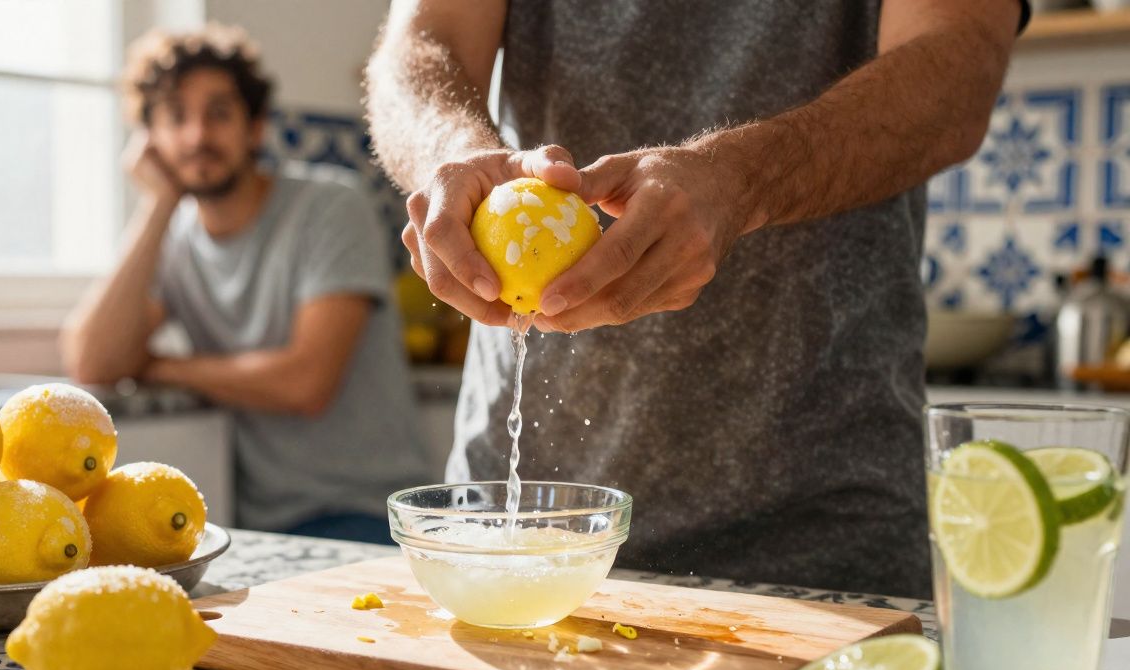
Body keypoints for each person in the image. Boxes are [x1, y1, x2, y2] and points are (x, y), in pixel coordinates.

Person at [364, 0, 1029, 597]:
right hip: (518, 532)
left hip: (823, 529)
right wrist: (452, 153)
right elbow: (423, 40)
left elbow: (959, 58)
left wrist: (743, 179)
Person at [62, 24, 429, 544]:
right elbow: (93, 362)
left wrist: (159, 367)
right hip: (256, 525)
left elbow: (306, 384)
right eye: (175, 117)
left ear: (255, 127)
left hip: (371, 515)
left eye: (218, 113)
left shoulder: (332, 205)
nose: (197, 136)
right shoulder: (173, 237)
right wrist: (157, 205)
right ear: (150, 140)